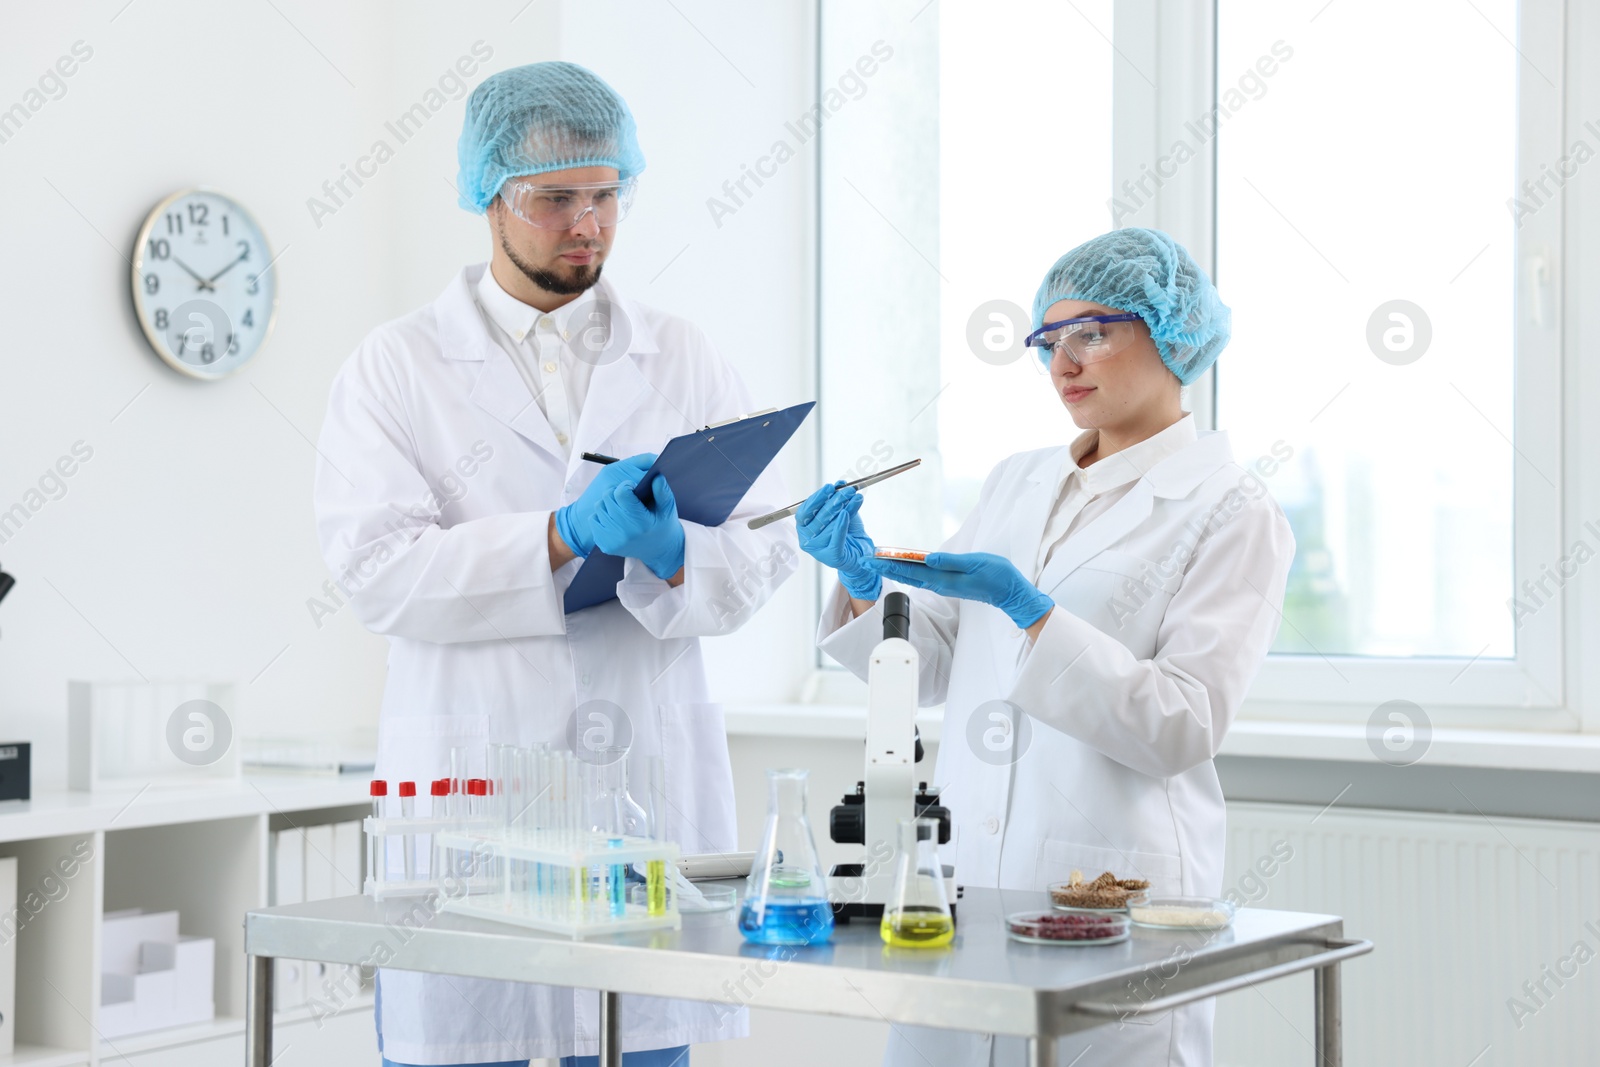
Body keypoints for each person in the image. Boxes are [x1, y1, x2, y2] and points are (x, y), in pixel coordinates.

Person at [314, 61, 795, 1067]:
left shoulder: (683, 353)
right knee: (471, 1022)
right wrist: (558, 536)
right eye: (553, 198)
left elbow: (759, 554)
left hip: (642, 793)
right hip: (474, 798)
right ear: (488, 195)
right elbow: (375, 570)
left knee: (638, 1031)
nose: (587, 223)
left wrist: (675, 555)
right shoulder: (395, 366)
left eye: (606, 193)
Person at [797, 228, 1294, 1066]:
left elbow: (1182, 722)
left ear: (1173, 334)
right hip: (960, 883)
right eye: (1047, 340)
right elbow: (937, 663)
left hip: (1111, 883)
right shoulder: (1018, 479)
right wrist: (861, 583)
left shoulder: (1230, 508)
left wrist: (1031, 611)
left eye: (1093, 332)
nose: (1064, 361)